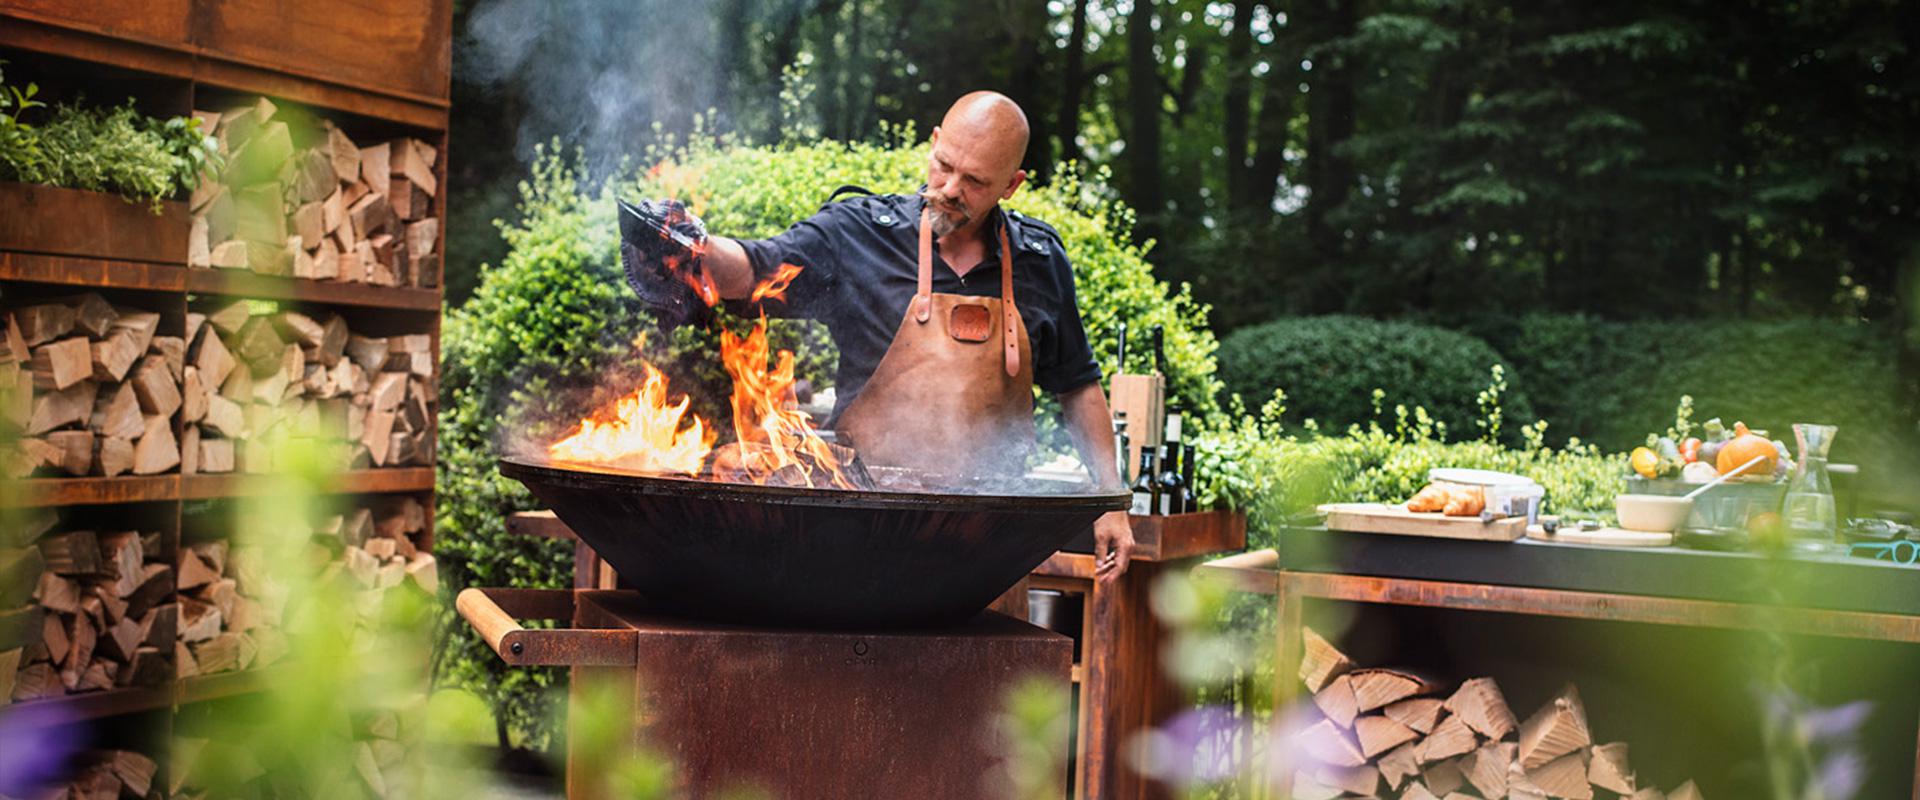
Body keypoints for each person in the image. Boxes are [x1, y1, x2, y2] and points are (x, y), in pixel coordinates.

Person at [623, 91, 1135, 580]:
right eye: (944, 165)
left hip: (988, 550)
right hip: (862, 535)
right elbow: (756, 268)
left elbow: (1078, 385)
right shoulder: (859, 234)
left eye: (975, 181)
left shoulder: (1039, 261)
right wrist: (696, 249)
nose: (951, 188)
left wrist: (1111, 499)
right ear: (933, 141)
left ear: (1012, 184)